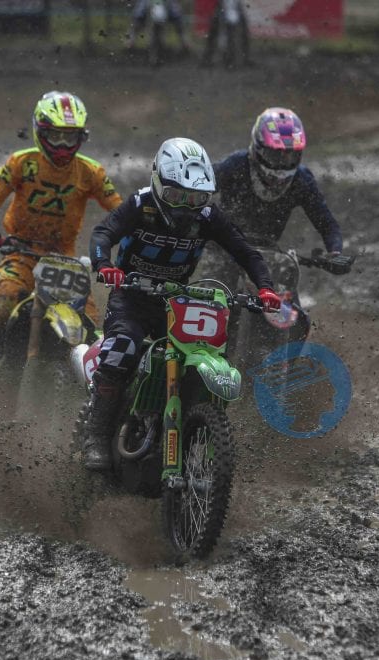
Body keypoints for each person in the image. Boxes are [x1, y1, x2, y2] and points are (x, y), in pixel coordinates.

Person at [81, 137, 280, 470]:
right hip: (131, 296)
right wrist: (104, 265)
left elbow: (246, 252)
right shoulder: (141, 204)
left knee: (206, 352)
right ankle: (96, 435)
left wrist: (266, 289)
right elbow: (103, 233)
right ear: (159, 183)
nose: (186, 207)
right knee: (123, 349)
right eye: (177, 196)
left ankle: (192, 424)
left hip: (176, 301)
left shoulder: (208, 216)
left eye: (196, 198)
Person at [0, 91, 122, 378]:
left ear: (81, 137)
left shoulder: (91, 172)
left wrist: (133, 236)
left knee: (91, 326)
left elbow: (120, 212)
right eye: (56, 136)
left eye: (70, 137)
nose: (63, 145)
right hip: (21, 252)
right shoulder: (22, 162)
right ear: (40, 132)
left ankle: (86, 393)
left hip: (63, 259)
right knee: (3, 308)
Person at [206, 107, 350, 288]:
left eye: (290, 156)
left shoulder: (301, 180)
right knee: (217, 291)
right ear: (258, 148)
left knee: (286, 298)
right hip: (223, 249)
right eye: (275, 155)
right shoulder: (236, 165)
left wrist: (334, 253)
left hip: (269, 255)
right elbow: (199, 186)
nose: (282, 164)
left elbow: (327, 224)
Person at [199, 0, 250, 68]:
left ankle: (231, 60)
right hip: (226, 15)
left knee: (230, 39)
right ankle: (227, 60)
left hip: (229, 16)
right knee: (221, 38)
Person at [125, 0, 189, 53]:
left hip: (165, 4)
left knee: (177, 16)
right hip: (149, 3)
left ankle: (185, 42)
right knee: (138, 16)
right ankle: (130, 41)